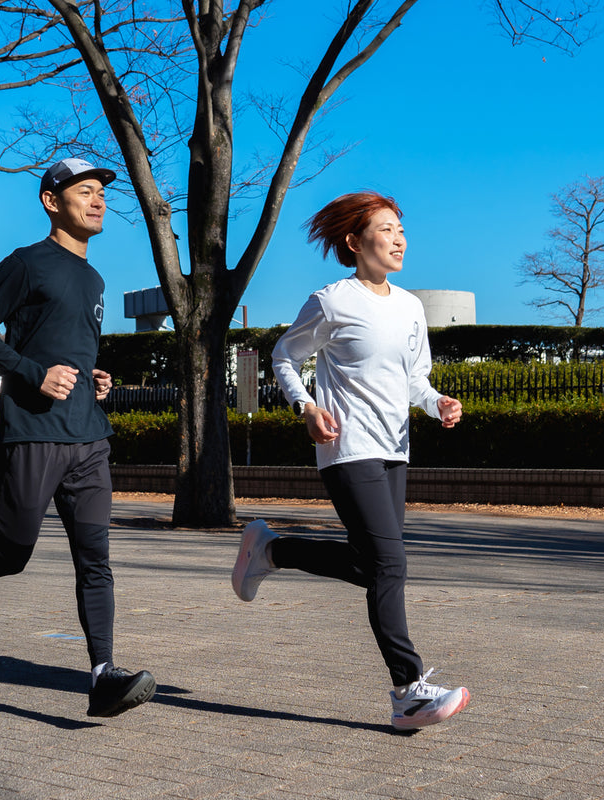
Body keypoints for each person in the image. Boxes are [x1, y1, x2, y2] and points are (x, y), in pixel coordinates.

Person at [0, 157, 155, 718]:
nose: (97, 200)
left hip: (89, 438)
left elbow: (70, 345)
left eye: (100, 193)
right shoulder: (25, 264)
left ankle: (102, 676)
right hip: (34, 435)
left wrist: (95, 376)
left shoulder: (95, 278)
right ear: (51, 201)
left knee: (95, 557)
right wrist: (33, 372)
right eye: (84, 192)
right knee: (11, 553)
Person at [231, 191, 469, 732]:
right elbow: (284, 356)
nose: (399, 238)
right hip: (347, 447)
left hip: (394, 448)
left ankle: (273, 550)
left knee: (369, 566)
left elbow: (415, 380)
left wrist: (437, 404)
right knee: (391, 565)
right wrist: (306, 405)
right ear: (354, 242)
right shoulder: (331, 300)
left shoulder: (410, 307)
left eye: (401, 229)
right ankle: (408, 691)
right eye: (386, 229)